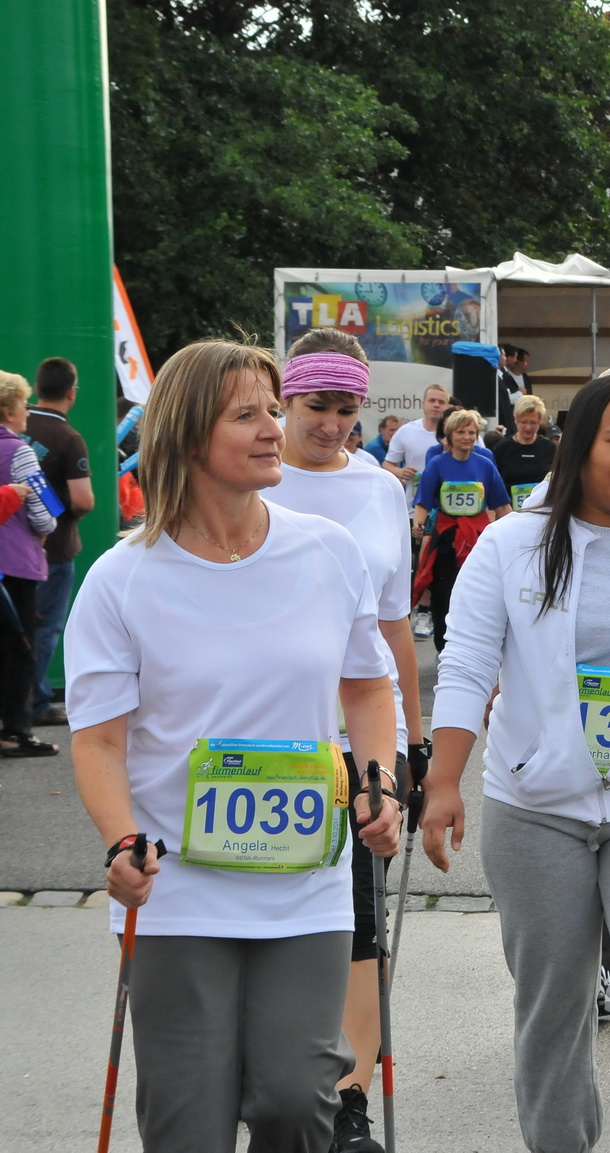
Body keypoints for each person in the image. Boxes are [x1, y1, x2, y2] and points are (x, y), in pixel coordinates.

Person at [66, 339, 400, 1151]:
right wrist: (119, 838)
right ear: (186, 437)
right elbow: (100, 740)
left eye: (274, 410)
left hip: (303, 882)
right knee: (189, 1125)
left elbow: (365, 682)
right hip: (177, 886)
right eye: (246, 414)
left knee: (295, 1098)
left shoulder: (326, 550)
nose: (272, 428)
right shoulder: (121, 578)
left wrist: (379, 781)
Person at [423, 373, 610, 1153]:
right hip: (534, 808)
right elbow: (464, 666)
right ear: (577, 446)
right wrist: (443, 781)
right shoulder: (511, 542)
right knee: (553, 1002)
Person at [267, 331, 426, 1151]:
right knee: (284, 911)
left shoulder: (378, 490)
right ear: (285, 401)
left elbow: (394, 619)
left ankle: (349, 1093)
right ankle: (278, 1074)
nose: (331, 424)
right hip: (275, 727)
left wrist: (417, 735)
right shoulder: (253, 476)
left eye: (346, 409)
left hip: (368, 726)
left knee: (361, 917)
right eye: (316, 406)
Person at [26, 357, 94, 729]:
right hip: (53, 549)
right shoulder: (68, 438)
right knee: (44, 626)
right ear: (71, 392)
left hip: (11, 545)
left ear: (36, 389)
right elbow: (82, 500)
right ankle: (34, 702)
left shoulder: (13, 429)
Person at [412, 408, 510, 650]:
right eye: (461, 432)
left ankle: (477, 646)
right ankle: (443, 648)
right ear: (450, 435)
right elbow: (423, 501)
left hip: (478, 538)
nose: (466, 437)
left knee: (479, 593)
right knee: (443, 592)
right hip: (446, 537)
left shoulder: (485, 464)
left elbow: (502, 505)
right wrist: (418, 523)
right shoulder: (437, 464)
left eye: (471, 432)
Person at [0, 371, 58, 756]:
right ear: (8, 410)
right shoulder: (19, 451)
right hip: (16, 560)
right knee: (21, 647)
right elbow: (43, 511)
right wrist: (47, 526)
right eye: (23, 405)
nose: (28, 413)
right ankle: (17, 730)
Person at [382, 384, 450, 511]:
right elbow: (387, 464)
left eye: (441, 402)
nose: (436, 405)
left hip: (447, 511)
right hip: (413, 508)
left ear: (447, 406)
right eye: (432, 400)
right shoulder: (406, 431)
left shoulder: (457, 433)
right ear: (423, 404)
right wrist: (401, 472)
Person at [494, 395, 558, 511]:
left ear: (540, 421)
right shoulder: (502, 448)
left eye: (533, 423)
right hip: (510, 513)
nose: (528, 428)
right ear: (515, 419)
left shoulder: (550, 448)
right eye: (524, 422)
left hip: (541, 511)